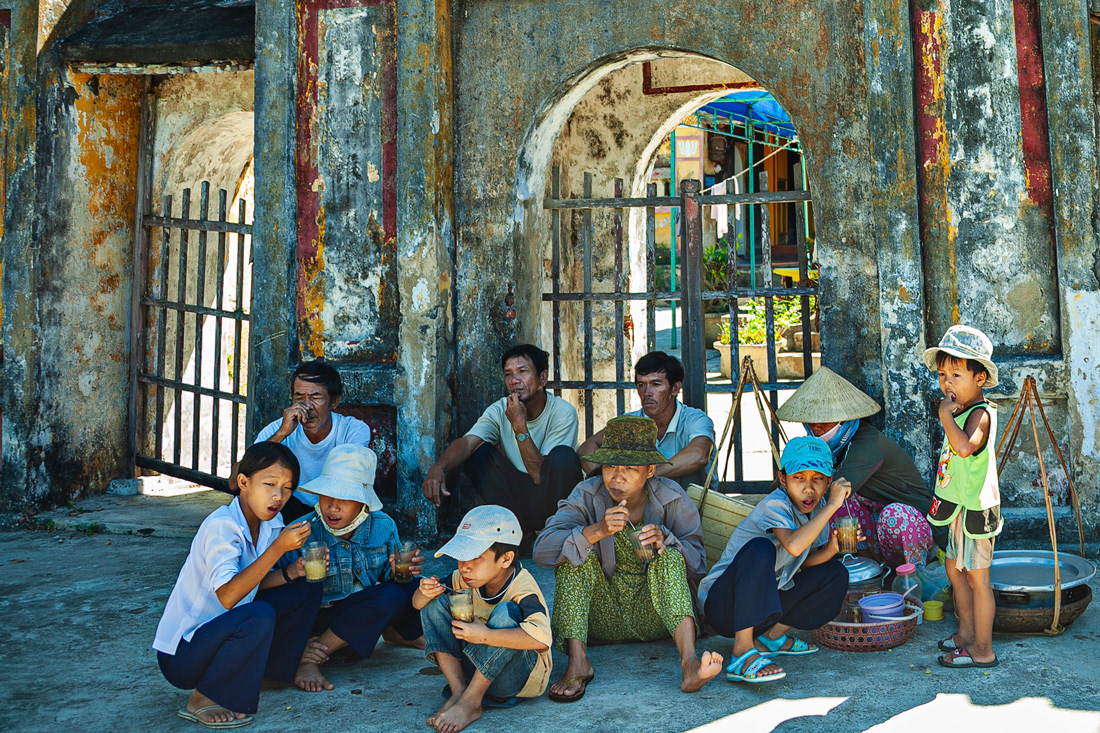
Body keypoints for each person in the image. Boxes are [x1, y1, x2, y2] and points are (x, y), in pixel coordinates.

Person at [533, 415, 723, 700]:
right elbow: (541, 551)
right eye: (610, 466)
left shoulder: (672, 497)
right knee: (574, 555)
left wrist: (667, 540)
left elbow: (699, 565)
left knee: (669, 557)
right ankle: (578, 662)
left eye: (629, 468)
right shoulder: (586, 495)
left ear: (650, 470)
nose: (616, 476)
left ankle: (689, 663)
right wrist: (594, 532)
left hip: (657, 617)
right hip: (601, 619)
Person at [153, 442, 322, 729]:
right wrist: (278, 550)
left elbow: (252, 583)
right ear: (243, 482)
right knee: (259, 614)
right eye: (269, 484)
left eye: (287, 488)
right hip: (183, 654)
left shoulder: (271, 524)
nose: (278, 496)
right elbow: (229, 596)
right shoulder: (223, 526)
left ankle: (271, 671)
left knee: (307, 587)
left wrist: (291, 572)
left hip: (223, 631)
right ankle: (202, 697)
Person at [698, 436, 853, 685]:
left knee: (835, 572)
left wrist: (831, 549)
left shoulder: (818, 509)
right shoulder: (774, 504)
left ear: (829, 482)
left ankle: (772, 637)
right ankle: (742, 652)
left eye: (818, 479)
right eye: (798, 477)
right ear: (783, 479)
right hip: (724, 606)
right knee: (760, 548)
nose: (808, 488)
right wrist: (834, 504)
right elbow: (793, 545)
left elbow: (801, 561)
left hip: (763, 605)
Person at [282, 444, 426, 693]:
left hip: (362, 613)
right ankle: (310, 657)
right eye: (326, 496)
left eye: (345, 499)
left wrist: (396, 572)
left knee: (415, 587)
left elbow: (386, 581)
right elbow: (282, 596)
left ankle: (395, 632)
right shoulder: (302, 531)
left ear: (363, 503)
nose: (332, 507)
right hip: (318, 622)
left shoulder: (383, 525)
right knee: (389, 596)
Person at [775, 366, 942, 566]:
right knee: (841, 507)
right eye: (811, 421)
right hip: (877, 524)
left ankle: (914, 573)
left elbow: (829, 491)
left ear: (844, 420)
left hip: (913, 525)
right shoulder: (832, 447)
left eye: (824, 422)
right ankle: (865, 567)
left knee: (839, 499)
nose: (816, 427)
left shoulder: (868, 445)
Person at [414, 505, 552, 733]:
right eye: (461, 557)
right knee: (433, 601)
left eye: (475, 557)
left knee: (507, 612)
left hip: (512, 679)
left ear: (506, 559)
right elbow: (417, 604)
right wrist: (424, 592)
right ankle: (459, 691)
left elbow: (542, 638)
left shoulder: (522, 587)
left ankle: (471, 702)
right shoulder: (463, 579)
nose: (464, 567)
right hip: (473, 669)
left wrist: (485, 636)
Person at [421, 344, 583, 535]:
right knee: (477, 454)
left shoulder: (563, 412)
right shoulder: (500, 409)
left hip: (554, 499)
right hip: (520, 498)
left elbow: (541, 476)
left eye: (523, 371)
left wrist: (519, 427)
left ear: (543, 378)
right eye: (508, 374)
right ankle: (518, 533)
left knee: (563, 456)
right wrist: (438, 467)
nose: (514, 380)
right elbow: (467, 443)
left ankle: (556, 533)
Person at [923, 325, 1002, 669]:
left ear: (980, 378)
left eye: (956, 374)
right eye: (942, 374)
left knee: (977, 578)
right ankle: (966, 633)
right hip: (956, 508)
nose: (947, 383)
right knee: (955, 571)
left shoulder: (980, 414)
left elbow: (964, 448)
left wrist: (944, 416)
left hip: (975, 510)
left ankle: (982, 648)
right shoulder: (960, 411)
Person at [254, 360, 372, 522]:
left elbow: (349, 484)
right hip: (293, 507)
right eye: (299, 397)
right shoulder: (279, 428)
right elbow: (239, 478)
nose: (307, 406)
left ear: (334, 402)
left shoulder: (353, 430)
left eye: (315, 397)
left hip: (336, 507)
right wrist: (282, 433)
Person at [578, 351, 714, 487]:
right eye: (641, 385)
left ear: (675, 388)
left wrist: (645, 477)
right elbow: (586, 449)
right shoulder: (629, 422)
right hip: (641, 500)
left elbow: (700, 454)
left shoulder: (695, 419)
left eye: (656, 384)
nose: (647, 393)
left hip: (689, 499)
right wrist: (609, 481)